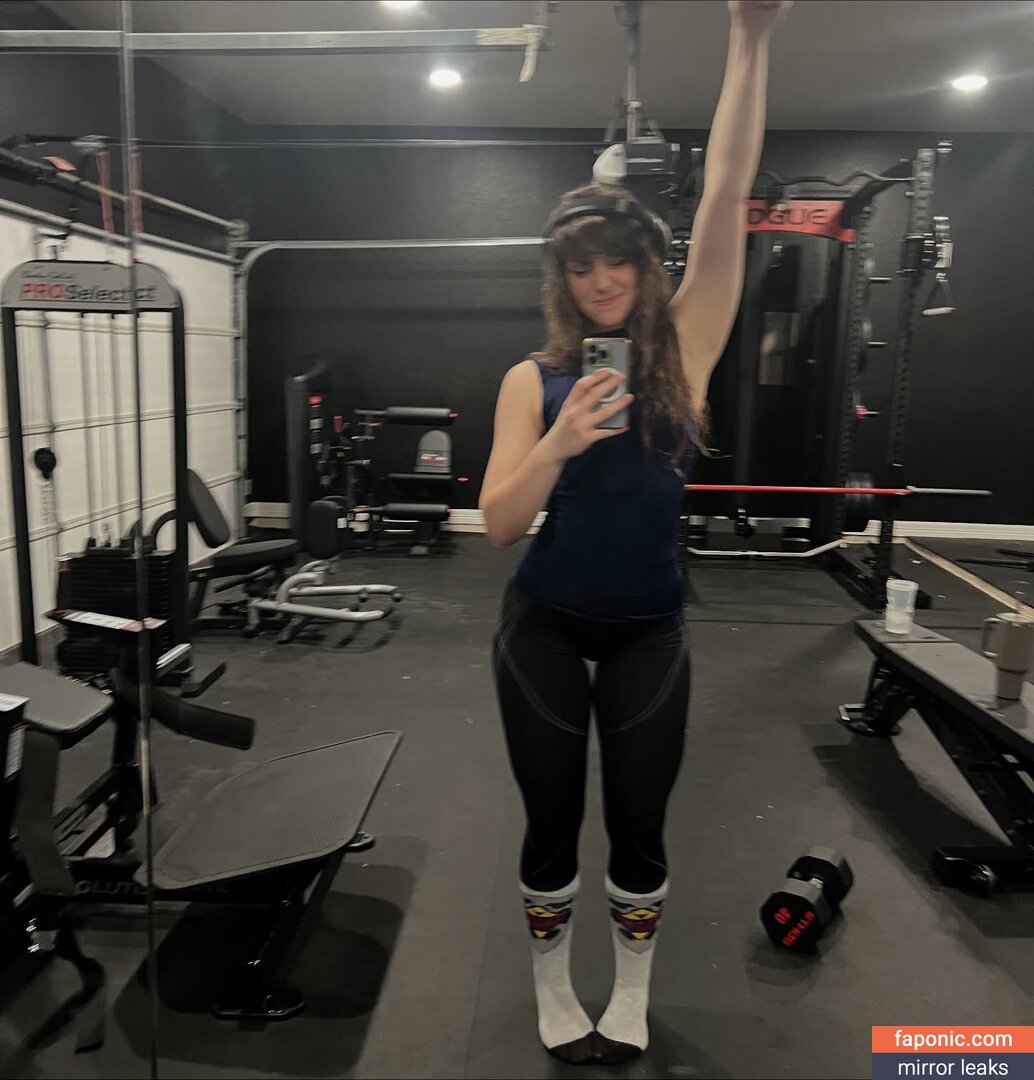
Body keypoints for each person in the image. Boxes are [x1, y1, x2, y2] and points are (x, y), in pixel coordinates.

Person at [479, 0, 790, 1065]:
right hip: (543, 626)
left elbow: (725, 191)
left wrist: (749, 40)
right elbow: (498, 523)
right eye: (581, 267)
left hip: (650, 630)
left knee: (641, 827)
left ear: (645, 268)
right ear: (561, 278)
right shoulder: (530, 378)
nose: (601, 280)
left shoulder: (688, 345)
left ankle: (633, 993)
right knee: (550, 822)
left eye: (617, 262)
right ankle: (549, 986)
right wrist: (559, 442)